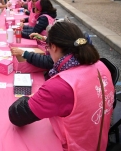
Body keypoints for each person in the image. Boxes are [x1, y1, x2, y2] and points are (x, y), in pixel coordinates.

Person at [8, 22, 114, 151]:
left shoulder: (62, 85)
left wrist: (33, 96)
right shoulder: (101, 66)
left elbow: (16, 115)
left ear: (54, 47)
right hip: (98, 142)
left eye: (47, 47)